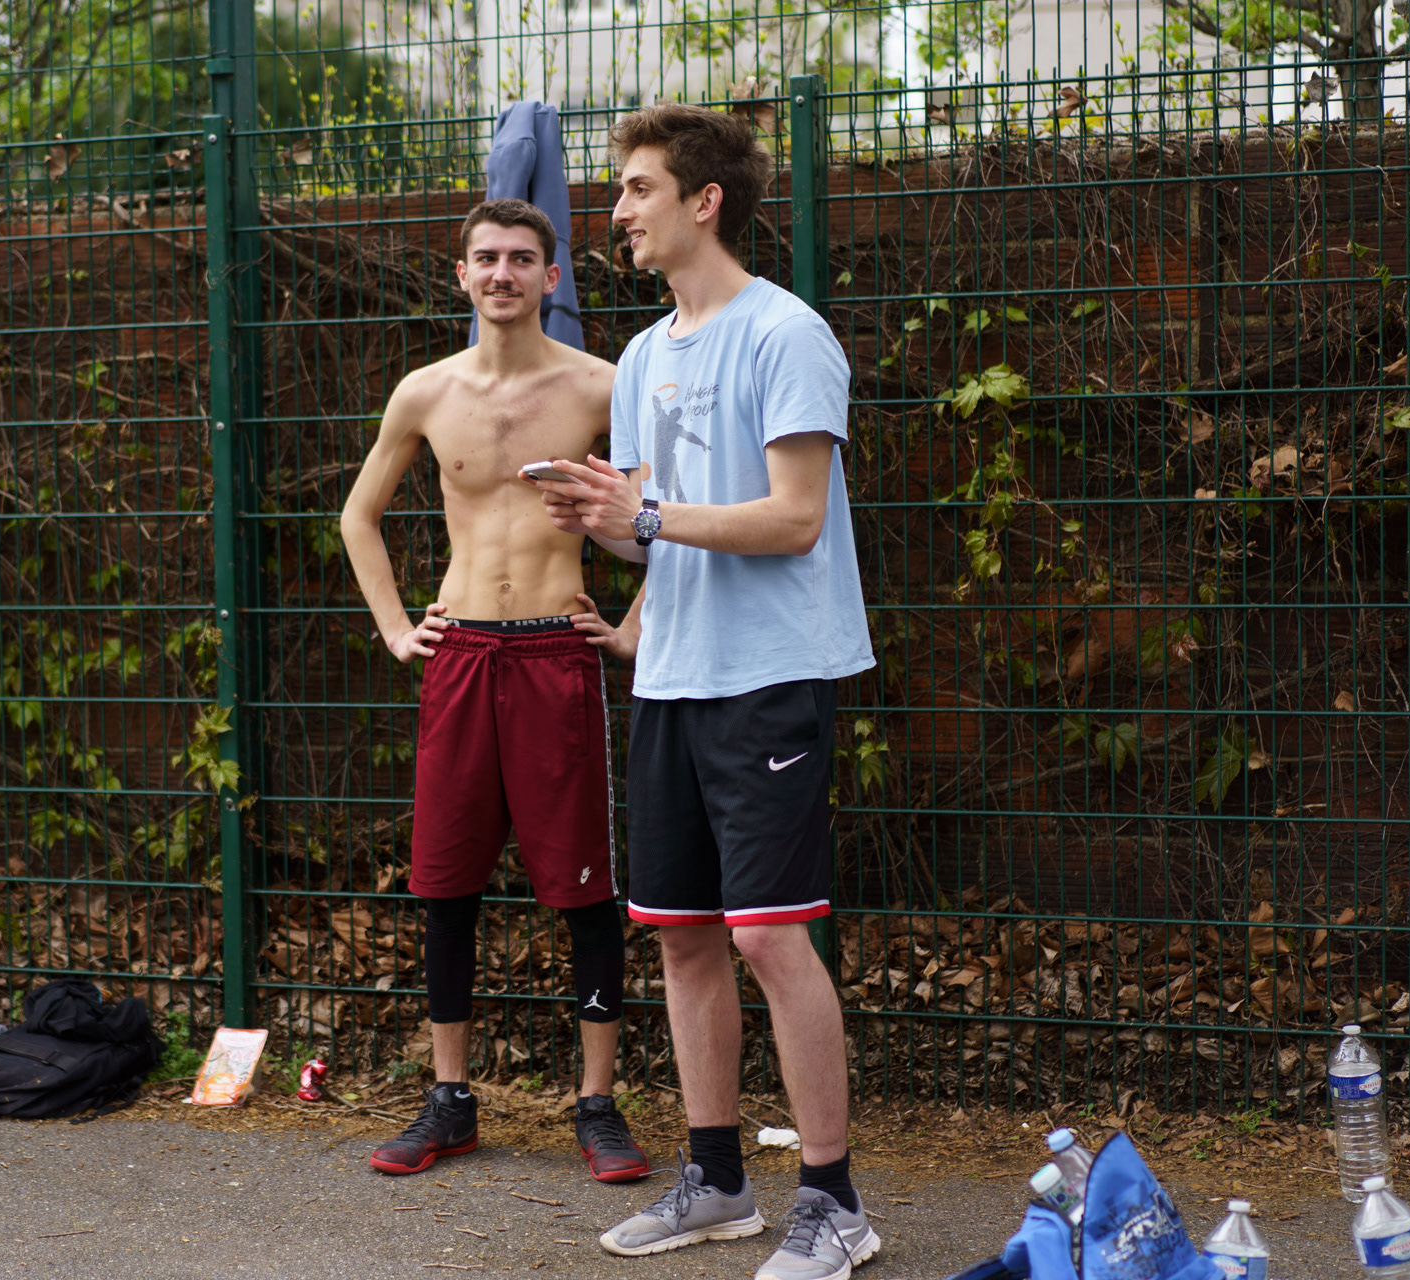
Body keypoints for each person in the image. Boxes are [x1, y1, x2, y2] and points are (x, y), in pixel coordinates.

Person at [532, 105, 878, 1280]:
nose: (618, 211)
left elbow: (793, 518)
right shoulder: (643, 355)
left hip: (770, 674)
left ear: (703, 200)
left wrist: (639, 511)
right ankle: (720, 1179)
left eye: (637, 188)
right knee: (680, 934)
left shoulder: (787, 334)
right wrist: (593, 511)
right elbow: (648, 527)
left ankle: (834, 1202)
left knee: (769, 933)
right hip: (672, 675)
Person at [340, 197, 651, 1185]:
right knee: (446, 884)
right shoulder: (426, 392)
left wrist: (634, 627)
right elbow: (358, 517)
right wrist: (399, 630)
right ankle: (451, 1098)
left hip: (559, 654)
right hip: (462, 652)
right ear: (463, 274)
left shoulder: (604, 385)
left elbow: (666, 512)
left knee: (585, 888)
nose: (503, 273)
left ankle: (596, 1103)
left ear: (552, 277)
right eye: (487, 258)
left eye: (522, 258)